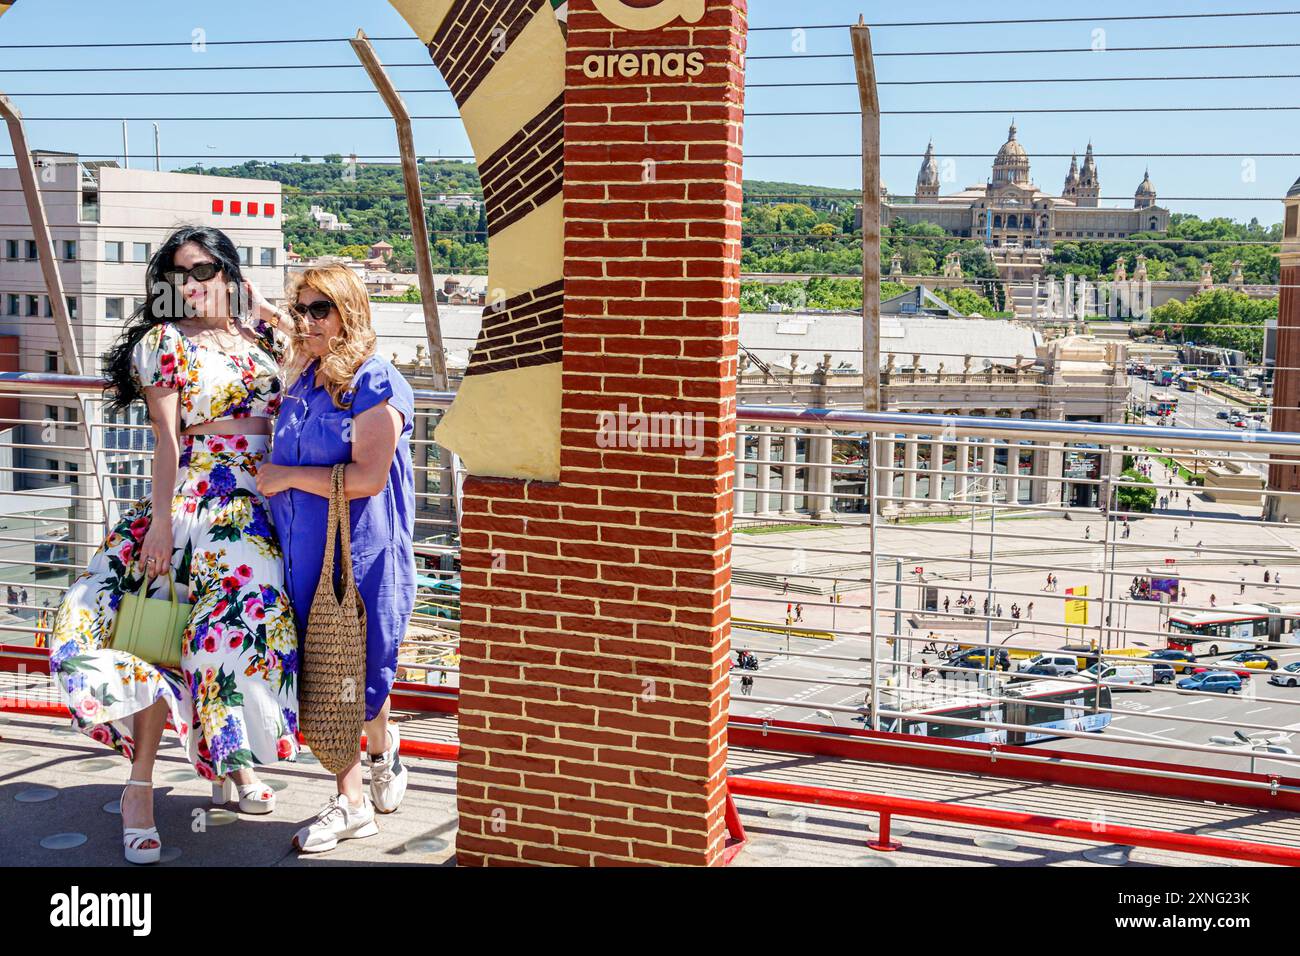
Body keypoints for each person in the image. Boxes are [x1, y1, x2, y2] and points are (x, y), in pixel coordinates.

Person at [47, 226, 299, 864]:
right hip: (201, 502)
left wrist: (262, 306)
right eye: (181, 273)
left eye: (208, 269)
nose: (194, 283)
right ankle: (139, 790)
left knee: (241, 638)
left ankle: (231, 761)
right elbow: (167, 443)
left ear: (230, 272)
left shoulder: (262, 335)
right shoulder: (163, 343)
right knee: (162, 639)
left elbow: (316, 356)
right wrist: (160, 525)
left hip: (265, 501)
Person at [257, 264, 417, 853]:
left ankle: (358, 792)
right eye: (300, 310)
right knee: (332, 673)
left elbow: (370, 476)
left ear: (349, 312)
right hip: (302, 556)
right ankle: (364, 777)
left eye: (319, 309)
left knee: (356, 670)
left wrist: (285, 477)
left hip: (360, 556)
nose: (306, 321)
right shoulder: (304, 380)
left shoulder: (376, 382)